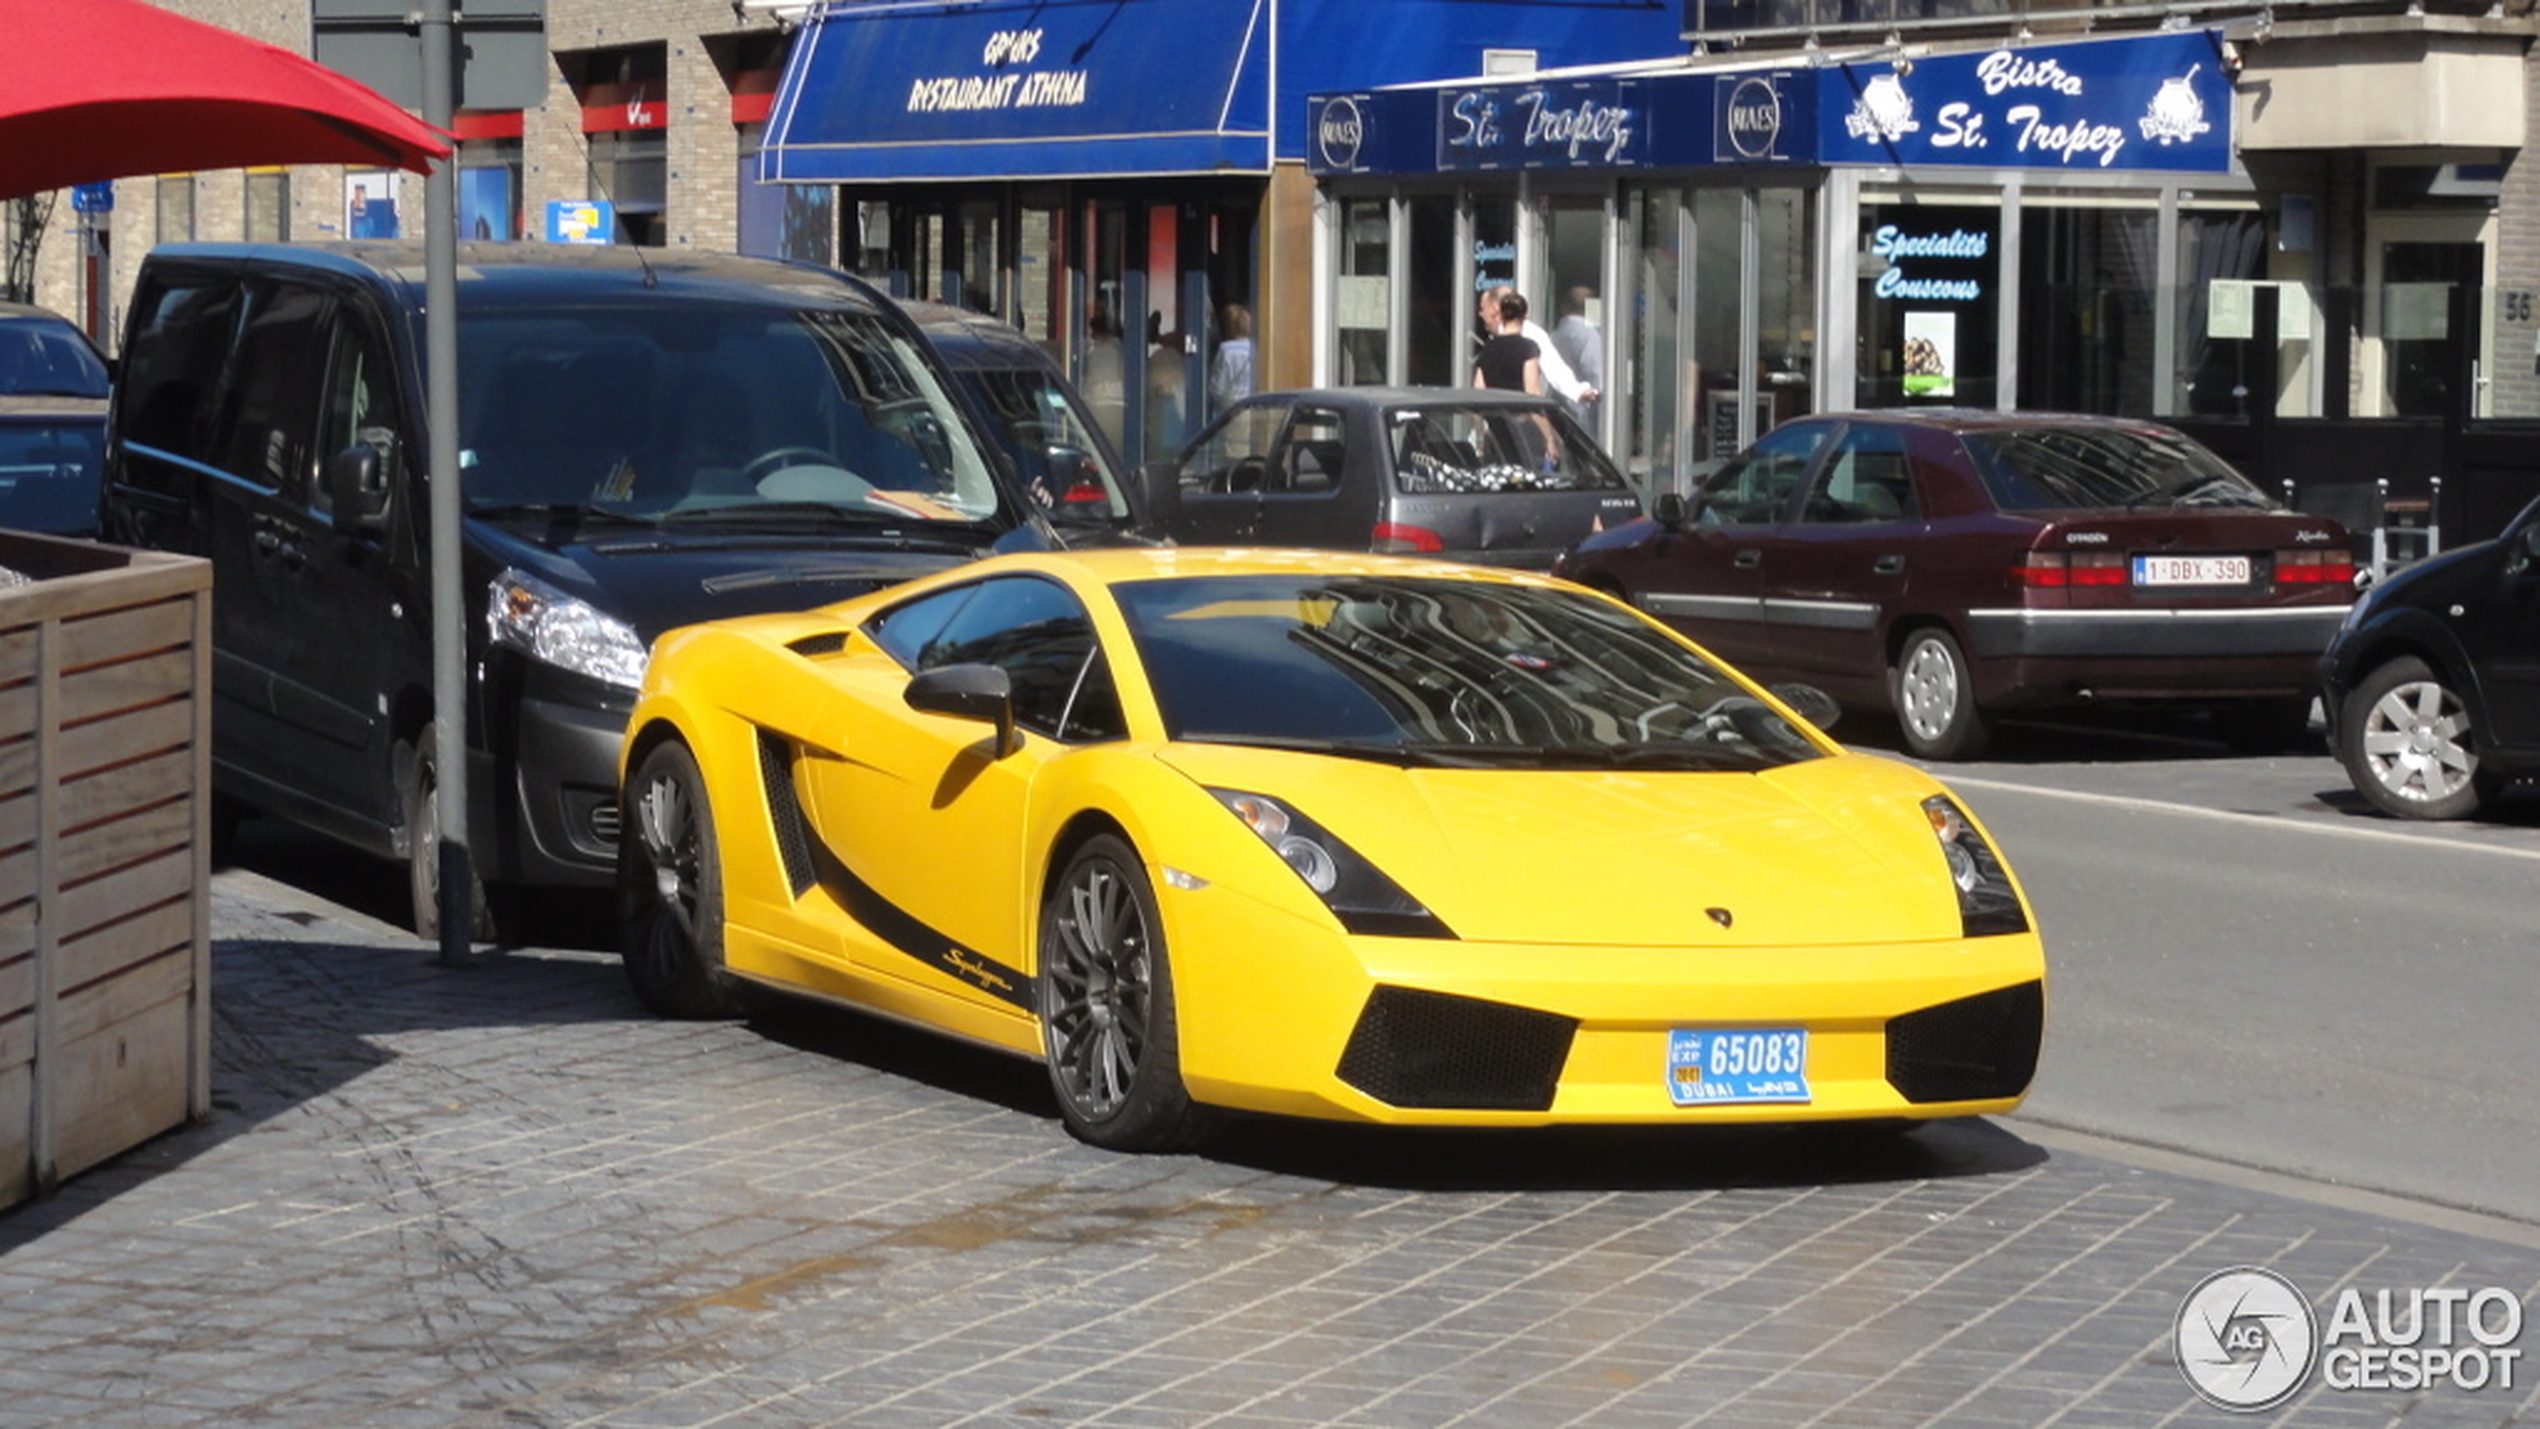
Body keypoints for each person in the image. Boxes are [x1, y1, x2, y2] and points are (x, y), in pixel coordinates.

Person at [1476, 284, 1597, 408]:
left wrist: (1577, 392)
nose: (1480, 314)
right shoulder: (1493, 342)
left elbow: (1554, 367)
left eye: (1483, 308)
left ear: (1495, 309)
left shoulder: (1529, 334)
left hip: (1520, 415)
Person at [1549, 286, 1605, 421]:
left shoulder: (1553, 336)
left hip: (1556, 409)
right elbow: (1595, 375)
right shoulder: (1590, 336)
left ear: (1563, 308)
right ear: (1591, 308)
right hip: (1583, 414)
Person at [1471, 289, 1543, 394]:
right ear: (1525, 315)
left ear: (1501, 316)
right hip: (1519, 409)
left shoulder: (1488, 348)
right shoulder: (1528, 348)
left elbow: (1479, 387)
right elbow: (1532, 390)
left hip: (1493, 408)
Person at [1210, 302, 1255, 411]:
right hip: (1252, 405)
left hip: (1231, 408)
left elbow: (1217, 387)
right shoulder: (1255, 348)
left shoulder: (1225, 350)